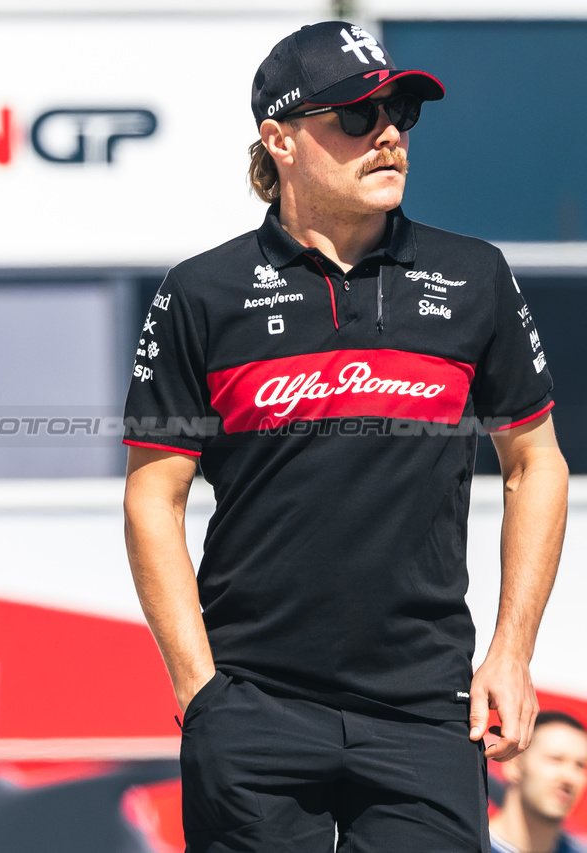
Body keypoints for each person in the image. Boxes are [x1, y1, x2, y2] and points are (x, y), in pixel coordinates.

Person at [122, 20, 570, 852]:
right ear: (279, 139)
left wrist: (512, 651)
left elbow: (534, 463)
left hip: (427, 708)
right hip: (251, 701)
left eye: (400, 111)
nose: (390, 133)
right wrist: (199, 686)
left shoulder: (475, 276)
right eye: (357, 117)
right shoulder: (201, 292)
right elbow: (155, 491)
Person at [490, 711, 587, 853]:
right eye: (555, 759)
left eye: (580, 765)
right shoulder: (461, 846)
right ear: (514, 765)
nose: (569, 777)